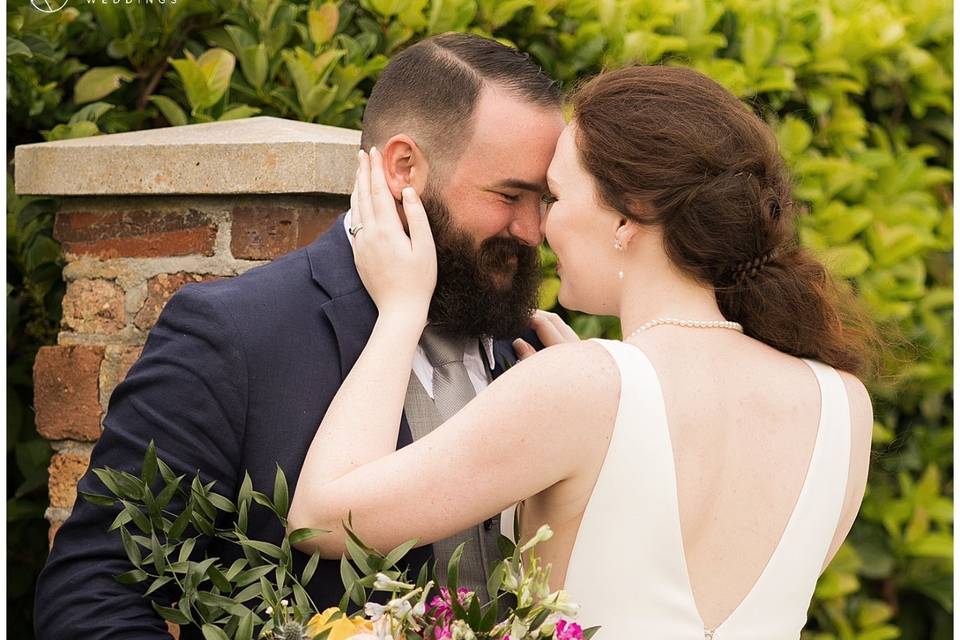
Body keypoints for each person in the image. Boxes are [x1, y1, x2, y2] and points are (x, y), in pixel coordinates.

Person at [287, 65, 877, 638]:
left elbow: (320, 521)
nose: (539, 228)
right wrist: (602, 395)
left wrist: (401, 310)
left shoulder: (582, 388)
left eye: (556, 196)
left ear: (626, 218)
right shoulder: (844, 404)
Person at [34, 33, 564, 638]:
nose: (532, 229)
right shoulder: (234, 333)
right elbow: (90, 595)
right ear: (403, 167)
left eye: (544, 199)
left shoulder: (529, 347)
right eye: (510, 195)